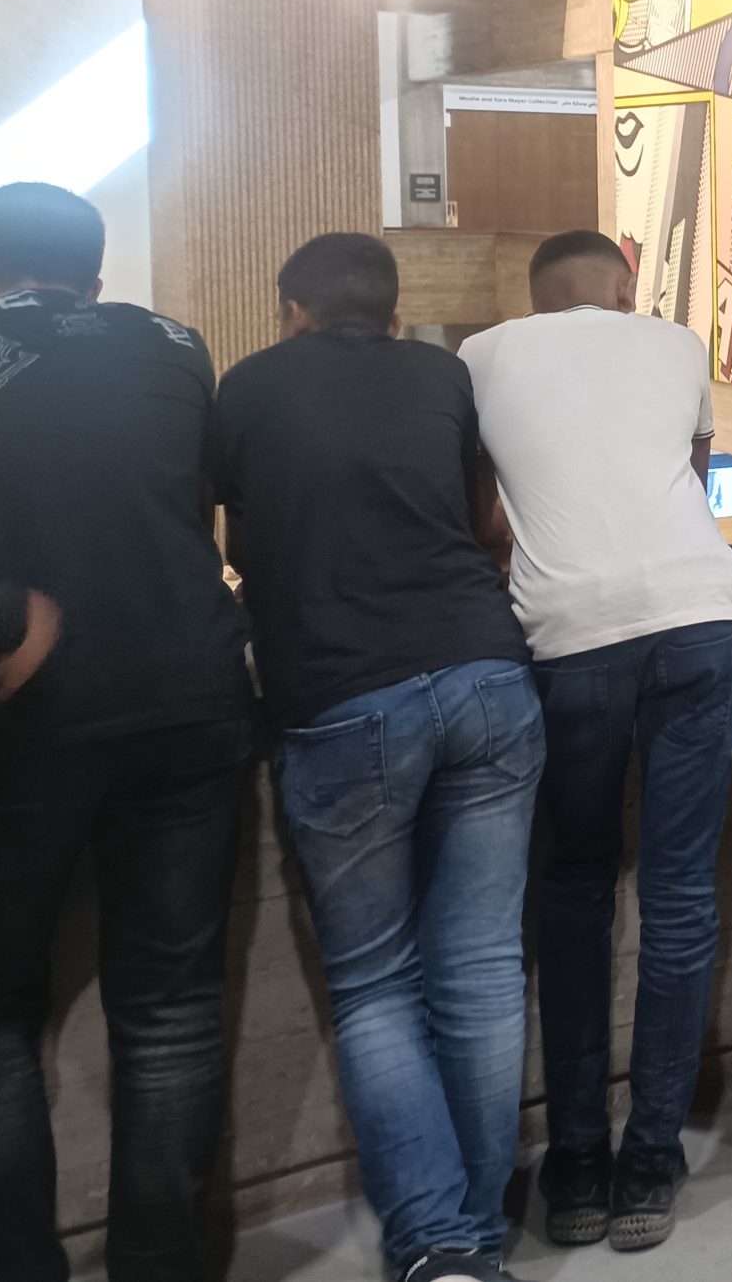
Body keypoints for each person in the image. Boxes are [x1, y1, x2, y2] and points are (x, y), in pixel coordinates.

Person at [215, 234, 541, 1282]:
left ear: (292, 311)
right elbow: (483, 520)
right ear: (395, 314)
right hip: (487, 674)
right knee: (482, 969)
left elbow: (236, 542)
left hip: (342, 692)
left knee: (375, 985)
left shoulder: (247, 386)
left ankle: (439, 1244)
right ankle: (475, 1238)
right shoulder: (442, 376)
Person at [458, 231, 732, 1252]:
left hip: (568, 632)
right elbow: (692, 477)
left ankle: (577, 1160)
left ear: (534, 293)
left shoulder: (481, 355)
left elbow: (483, 517)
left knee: (575, 888)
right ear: (625, 285)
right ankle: (651, 1165)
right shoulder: (675, 342)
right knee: (678, 891)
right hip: (700, 615)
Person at [0, 183, 254, 1282]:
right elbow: (196, 505)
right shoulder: (176, 344)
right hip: (193, 689)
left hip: (34, 705)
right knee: (173, 1004)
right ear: (96, 276)